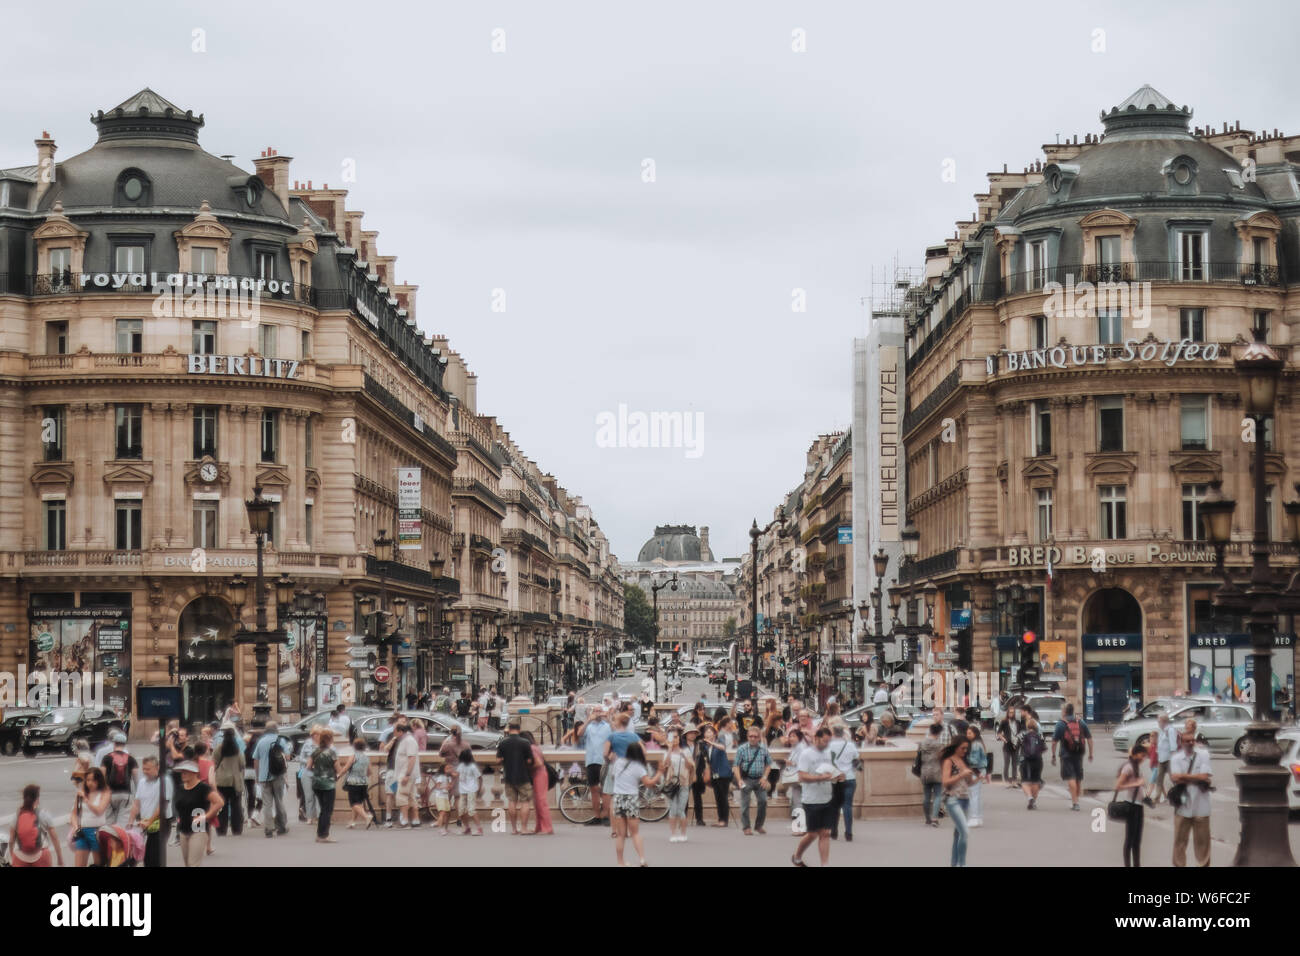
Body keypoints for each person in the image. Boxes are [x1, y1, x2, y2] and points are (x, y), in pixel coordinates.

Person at [792, 726, 840, 867]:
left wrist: (836, 775)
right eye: (824, 741)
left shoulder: (829, 753)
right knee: (812, 834)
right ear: (816, 738)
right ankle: (797, 856)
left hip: (827, 797)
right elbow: (801, 776)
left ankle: (824, 864)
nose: (826, 744)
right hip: (811, 799)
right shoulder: (806, 754)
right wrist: (820, 778)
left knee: (825, 832)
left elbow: (832, 770)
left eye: (829, 741)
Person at [610, 741, 662, 866]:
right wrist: (660, 772)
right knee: (635, 833)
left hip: (618, 798)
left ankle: (620, 862)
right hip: (631, 799)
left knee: (621, 835)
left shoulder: (618, 762)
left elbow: (613, 776)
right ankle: (642, 859)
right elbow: (649, 783)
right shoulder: (639, 767)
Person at [1169, 718, 1212, 867]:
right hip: (1183, 806)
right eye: (1187, 741)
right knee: (1179, 842)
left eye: (1192, 741)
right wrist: (1197, 777)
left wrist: (1185, 777)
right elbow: (1175, 778)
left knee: (1203, 843)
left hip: (1202, 805)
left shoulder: (1203, 755)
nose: (1190, 743)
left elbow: (1205, 777)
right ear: (1181, 743)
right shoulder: (1176, 758)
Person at [129, 756, 172, 867]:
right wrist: (130, 821)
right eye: (144, 769)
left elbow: (163, 804)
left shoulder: (164, 781)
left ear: (157, 767)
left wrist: (150, 821)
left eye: (148, 769)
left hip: (160, 823)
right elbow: (137, 803)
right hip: (145, 823)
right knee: (144, 857)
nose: (145, 772)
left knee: (153, 857)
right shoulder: (142, 782)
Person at [496, 718, 536, 835]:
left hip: (509, 776)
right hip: (523, 776)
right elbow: (529, 761)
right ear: (519, 730)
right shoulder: (525, 743)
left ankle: (514, 829)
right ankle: (524, 828)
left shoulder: (503, 742)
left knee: (512, 802)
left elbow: (498, 760)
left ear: (509, 730)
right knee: (525, 802)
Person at [1050, 702, 1093, 811]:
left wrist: (1053, 755)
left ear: (1064, 711)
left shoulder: (1060, 724)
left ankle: (1075, 803)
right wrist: (1091, 753)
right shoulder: (1081, 722)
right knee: (1078, 776)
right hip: (1079, 753)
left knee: (1071, 777)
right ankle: (1076, 800)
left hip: (1066, 754)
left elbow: (1054, 741)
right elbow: (1089, 738)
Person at [252, 721, 291, 838]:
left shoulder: (261, 741)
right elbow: (288, 756)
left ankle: (268, 829)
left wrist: (258, 776)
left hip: (264, 776)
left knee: (267, 803)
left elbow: (255, 759)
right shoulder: (281, 741)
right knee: (279, 801)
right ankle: (281, 827)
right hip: (278, 775)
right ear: (276, 729)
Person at [940, 737, 975, 867]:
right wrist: (961, 774)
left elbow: (969, 783)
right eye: (963, 748)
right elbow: (945, 781)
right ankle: (962, 864)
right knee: (965, 832)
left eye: (967, 748)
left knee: (958, 834)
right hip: (953, 799)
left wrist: (975, 778)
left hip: (965, 798)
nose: (965, 751)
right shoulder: (949, 761)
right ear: (955, 747)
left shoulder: (963, 760)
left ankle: (954, 864)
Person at [10, 784, 63, 867]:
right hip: (41, 854)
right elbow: (54, 838)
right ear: (37, 798)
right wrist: (60, 858)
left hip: (19, 855)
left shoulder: (17, 815)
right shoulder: (44, 814)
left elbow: (11, 839)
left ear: (24, 798)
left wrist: (12, 856)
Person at [733, 725, 772, 835]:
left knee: (763, 801)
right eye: (751, 736)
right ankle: (746, 827)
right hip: (746, 779)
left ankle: (759, 825)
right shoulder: (742, 749)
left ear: (759, 737)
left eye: (755, 736)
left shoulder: (763, 749)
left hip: (760, 779)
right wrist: (739, 779)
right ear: (747, 737)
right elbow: (735, 765)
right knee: (745, 803)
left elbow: (769, 764)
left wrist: (765, 777)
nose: (753, 738)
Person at [1115, 743, 1149, 867]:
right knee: (1130, 840)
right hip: (1131, 806)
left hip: (1139, 806)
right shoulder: (1128, 767)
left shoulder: (1136, 767)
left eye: (1145, 756)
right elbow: (1118, 786)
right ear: (1134, 755)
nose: (1143, 758)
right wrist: (1136, 784)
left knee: (1137, 841)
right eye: (1142, 755)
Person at [71, 768, 111, 867]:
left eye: (93, 780)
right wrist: (76, 827)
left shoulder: (105, 793)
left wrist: (86, 800)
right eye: (88, 780)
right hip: (82, 831)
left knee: (98, 863)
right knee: (79, 863)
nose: (90, 783)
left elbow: (99, 811)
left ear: (99, 781)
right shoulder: (81, 793)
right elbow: (74, 813)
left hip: (96, 832)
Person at [661, 728, 695, 843]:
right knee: (673, 809)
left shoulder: (685, 751)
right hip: (671, 783)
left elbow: (691, 766)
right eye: (671, 737)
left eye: (676, 737)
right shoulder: (667, 752)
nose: (674, 739)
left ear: (679, 738)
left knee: (681, 809)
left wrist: (684, 757)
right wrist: (670, 748)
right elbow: (665, 764)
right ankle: (673, 833)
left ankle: (683, 833)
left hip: (683, 783)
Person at [581, 706, 612, 826]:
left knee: (605, 791)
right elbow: (579, 734)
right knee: (594, 789)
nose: (598, 713)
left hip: (604, 761)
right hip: (591, 761)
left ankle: (605, 815)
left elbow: (616, 732)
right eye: (596, 711)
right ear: (593, 712)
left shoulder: (607, 726)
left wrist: (608, 719)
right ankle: (597, 816)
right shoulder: (588, 726)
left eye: (600, 711)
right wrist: (588, 719)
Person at [828, 725, 860, 841]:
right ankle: (849, 833)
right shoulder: (850, 745)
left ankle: (834, 830)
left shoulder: (829, 745)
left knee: (834, 806)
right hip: (849, 777)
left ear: (833, 733)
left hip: (835, 778)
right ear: (843, 733)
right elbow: (856, 759)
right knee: (847, 805)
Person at [213, 725, 245, 836]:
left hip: (221, 780)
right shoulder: (237, 749)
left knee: (222, 806)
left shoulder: (219, 748)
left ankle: (221, 829)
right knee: (236, 806)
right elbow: (242, 764)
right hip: (235, 781)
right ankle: (237, 829)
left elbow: (214, 762)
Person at [100, 731, 138, 824]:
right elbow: (136, 779)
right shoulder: (131, 758)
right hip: (126, 794)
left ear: (114, 743)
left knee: (108, 824)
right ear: (124, 744)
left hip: (110, 795)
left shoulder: (106, 758)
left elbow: (101, 776)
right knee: (122, 825)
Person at [310, 728, 339, 843]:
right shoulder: (331, 753)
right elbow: (338, 769)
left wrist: (318, 771)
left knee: (323, 809)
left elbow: (308, 766)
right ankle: (324, 835)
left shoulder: (316, 751)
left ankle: (319, 834)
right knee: (327, 810)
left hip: (317, 783)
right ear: (329, 739)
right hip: (328, 784)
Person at [522, 731, 553, 834]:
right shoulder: (535, 747)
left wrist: (527, 767)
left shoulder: (531, 748)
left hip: (539, 774)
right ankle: (540, 826)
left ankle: (547, 827)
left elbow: (539, 763)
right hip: (540, 774)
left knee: (541, 801)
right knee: (538, 802)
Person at [391, 721, 421, 828]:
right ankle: (415, 819)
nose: (393, 733)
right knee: (412, 796)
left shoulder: (408, 741)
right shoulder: (407, 740)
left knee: (402, 796)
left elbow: (411, 758)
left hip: (406, 773)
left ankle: (404, 820)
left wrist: (407, 774)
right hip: (408, 773)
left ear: (400, 731)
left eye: (394, 731)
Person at [340, 737, 374, 829]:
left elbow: (346, 768)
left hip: (353, 782)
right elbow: (370, 772)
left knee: (354, 803)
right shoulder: (366, 757)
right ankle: (352, 822)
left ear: (354, 746)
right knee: (358, 803)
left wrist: (339, 775)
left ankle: (367, 817)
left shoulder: (353, 756)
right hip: (364, 783)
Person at [703, 723, 732, 826]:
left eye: (710, 731)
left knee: (723, 797)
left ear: (714, 734)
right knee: (718, 798)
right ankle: (720, 819)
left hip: (723, 774)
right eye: (706, 732)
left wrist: (712, 743)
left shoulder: (719, 740)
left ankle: (724, 820)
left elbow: (723, 747)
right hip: (715, 774)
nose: (707, 733)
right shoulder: (707, 748)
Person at [919, 721, 945, 826]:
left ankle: (927, 818)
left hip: (925, 771)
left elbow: (919, 757)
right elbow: (942, 758)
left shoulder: (923, 743)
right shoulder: (939, 745)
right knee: (938, 795)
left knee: (926, 796)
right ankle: (935, 818)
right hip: (937, 771)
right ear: (939, 733)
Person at [1152, 712, 1179, 804]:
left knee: (1174, 779)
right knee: (1159, 779)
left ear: (1164, 722)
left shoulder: (1170, 730)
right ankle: (1157, 798)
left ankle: (1181, 795)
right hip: (1161, 759)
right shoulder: (1162, 731)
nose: (1158, 723)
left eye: (1159, 721)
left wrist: (1174, 759)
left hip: (1169, 759)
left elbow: (1173, 745)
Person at [965, 725, 989, 827]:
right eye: (967, 733)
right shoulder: (979, 743)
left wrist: (965, 757)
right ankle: (978, 817)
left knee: (973, 795)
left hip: (975, 771)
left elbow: (974, 760)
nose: (967, 735)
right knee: (976, 795)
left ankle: (974, 817)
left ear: (975, 734)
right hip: (980, 770)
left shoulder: (974, 745)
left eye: (969, 733)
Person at [298, 726, 323, 826]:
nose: (316, 736)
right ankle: (309, 817)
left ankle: (318, 817)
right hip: (307, 771)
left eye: (318, 734)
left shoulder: (323, 745)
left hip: (319, 772)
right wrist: (310, 762)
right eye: (315, 734)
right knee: (309, 797)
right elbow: (301, 758)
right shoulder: (307, 744)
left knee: (318, 796)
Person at [1019, 717, 1046, 809]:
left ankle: (1030, 798)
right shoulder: (1040, 735)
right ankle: (1033, 802)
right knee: (1035, 781)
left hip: (1025, 760)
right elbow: (1043, 748)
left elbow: (1017, 745)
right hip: (1037, 760)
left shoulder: (1023, 734)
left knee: (1025, 781)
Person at [456, 748, 484, 835]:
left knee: (471, 810)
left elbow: (480, 778)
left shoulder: (472, 767)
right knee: (461, 810)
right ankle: (467, 827)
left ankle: (479, 829)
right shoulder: (461, 766)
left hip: (471, 790)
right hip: (463, 790)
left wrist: (479, 788)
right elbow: (457, 775)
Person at [996, 708, 1022, 786]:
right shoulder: (1004, 722)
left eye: (1013, 713)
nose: (1011, 714)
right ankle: (1007, 780)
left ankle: (1014, 780)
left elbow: (1020, 733)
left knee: (1014, 764)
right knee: (1006, 764)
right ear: (1007, 713)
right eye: (1010, 713)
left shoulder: (1018, 722)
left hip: (1015, 746)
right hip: (1007, 746)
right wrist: (1005, 740)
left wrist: (1018, 741)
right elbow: (999, 733)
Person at [431, 757, 454, 835]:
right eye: (447, 768)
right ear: (443, 769)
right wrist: (445, 787)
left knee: (448, 812)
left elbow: (450, 786)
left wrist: (450, 785)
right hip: (440, 796)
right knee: (442, 812)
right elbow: (437, 786)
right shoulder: (441, 777)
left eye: (450, 768)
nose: (449, 770)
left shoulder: (449, 777)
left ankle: (446, 828)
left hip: (445, 796)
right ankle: (440, 828)